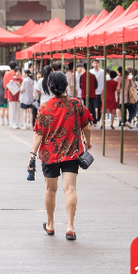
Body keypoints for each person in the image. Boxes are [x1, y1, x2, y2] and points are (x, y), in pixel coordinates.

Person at [28, 71, 93, 241]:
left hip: (49, 154)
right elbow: (87, 125)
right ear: (66, 86)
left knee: (51, 189)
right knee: (70, 189)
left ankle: (50, 224)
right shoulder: (76, 105)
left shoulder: (44, 107)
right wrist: (88, 141)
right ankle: (70, 227)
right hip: (72, 153)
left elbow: (38, 134)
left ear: (49, 87)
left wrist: (32, 155)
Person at [5, 63, 23, 129]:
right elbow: (8, 87)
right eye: (17, 72)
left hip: (19, 96)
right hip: (12, 96)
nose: (18, 73)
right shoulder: (11, 79)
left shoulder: (21, 80)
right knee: (13, 110)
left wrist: (20, 85)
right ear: (14, 72)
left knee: (18, 110)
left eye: (19, 72)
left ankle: (18, 123)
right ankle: (13, 123)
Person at [90, 59, 105, 125]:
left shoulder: (102, 72)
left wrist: (103, 89)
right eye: (94, 63)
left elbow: (103, 81)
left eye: (97, 63)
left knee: (99, 105)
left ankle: (98, 117)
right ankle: (93, 118)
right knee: (93, 105)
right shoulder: (90, 71)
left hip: (100, 90)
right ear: (92, 64)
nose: (95, 64)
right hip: (92, 91)